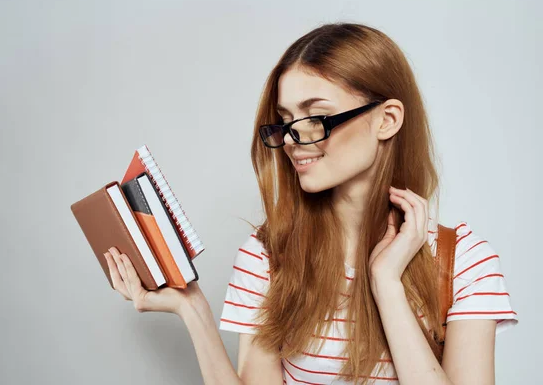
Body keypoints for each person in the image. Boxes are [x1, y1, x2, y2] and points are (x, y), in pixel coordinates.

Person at [103, 22, 518, 385]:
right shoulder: (269, 257)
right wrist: (192, 308)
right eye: (284, 121)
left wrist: (387, 284)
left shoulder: (462, 263)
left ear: (387, 120)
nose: (289, 139)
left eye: (315, 117)